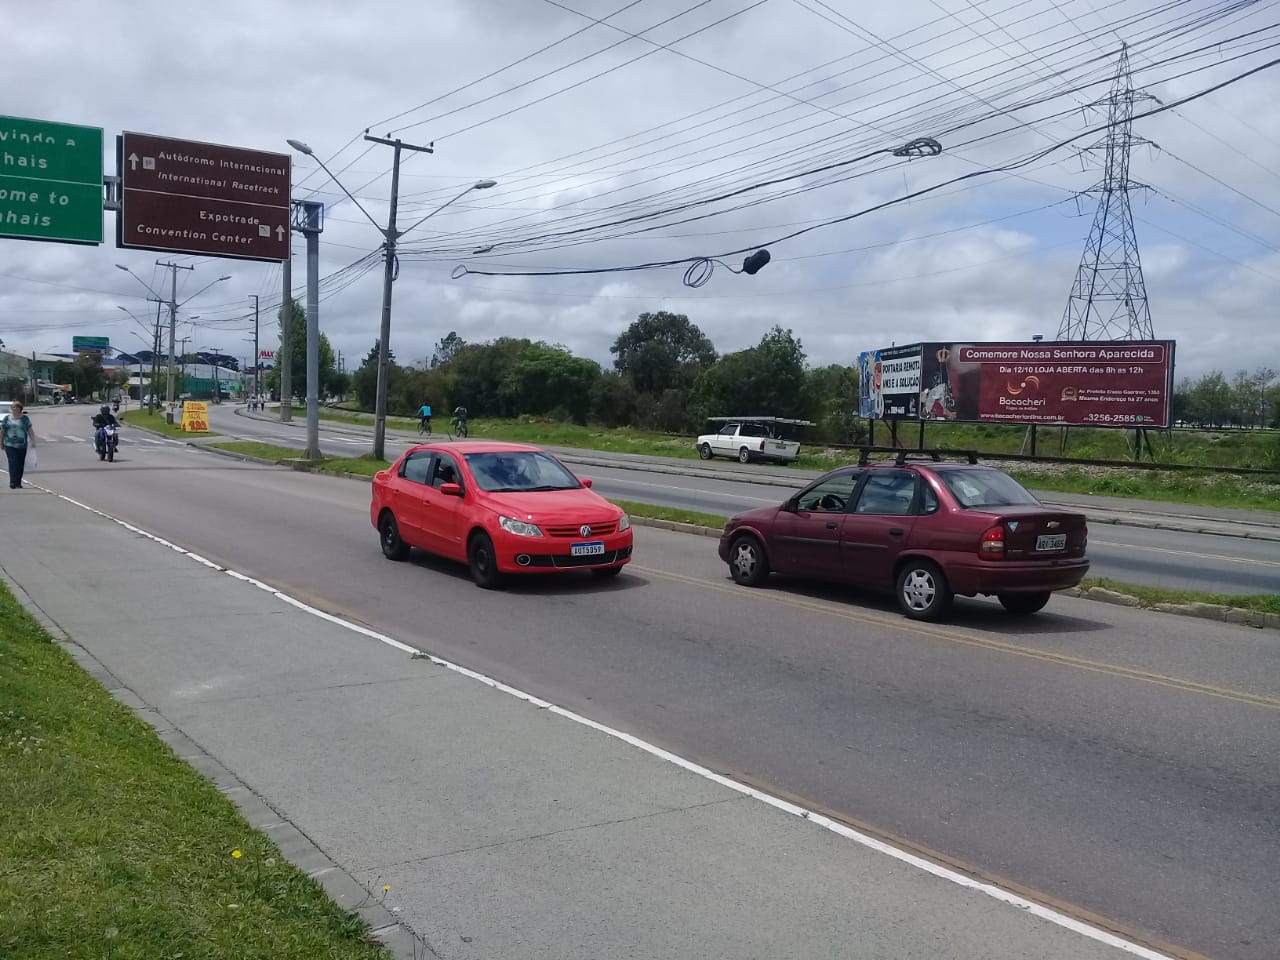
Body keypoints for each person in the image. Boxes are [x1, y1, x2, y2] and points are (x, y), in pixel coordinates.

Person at [2, 400, 36, 490]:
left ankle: (18, 482)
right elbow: (2, 431)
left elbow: (30, 430)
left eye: (17, 408)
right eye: (13, 408)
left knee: (20, 464)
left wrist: (33, 440)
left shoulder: (25, 419)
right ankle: (12, 482)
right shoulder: (7, 418)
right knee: (13, 462)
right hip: (9, 444)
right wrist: (1, 442)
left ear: (20, 409)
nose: (15, 409)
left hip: (22, 445)